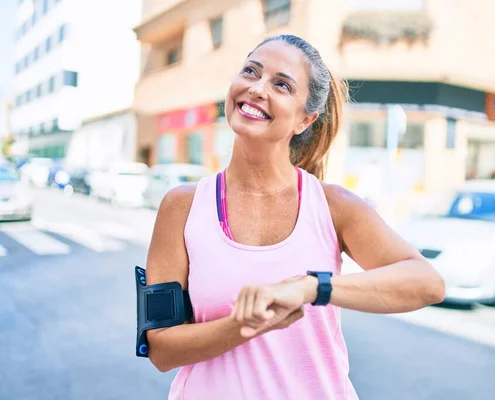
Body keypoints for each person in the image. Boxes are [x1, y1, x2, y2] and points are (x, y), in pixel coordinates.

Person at [145, 34, 445, 400]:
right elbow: (160, 348)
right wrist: (245, 325)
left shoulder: (333, 206)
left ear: (305, 119)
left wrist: (311, 287)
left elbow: (427, 283)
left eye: (281, 85)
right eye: (250, 72)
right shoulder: (182, 206)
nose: (256, 88)